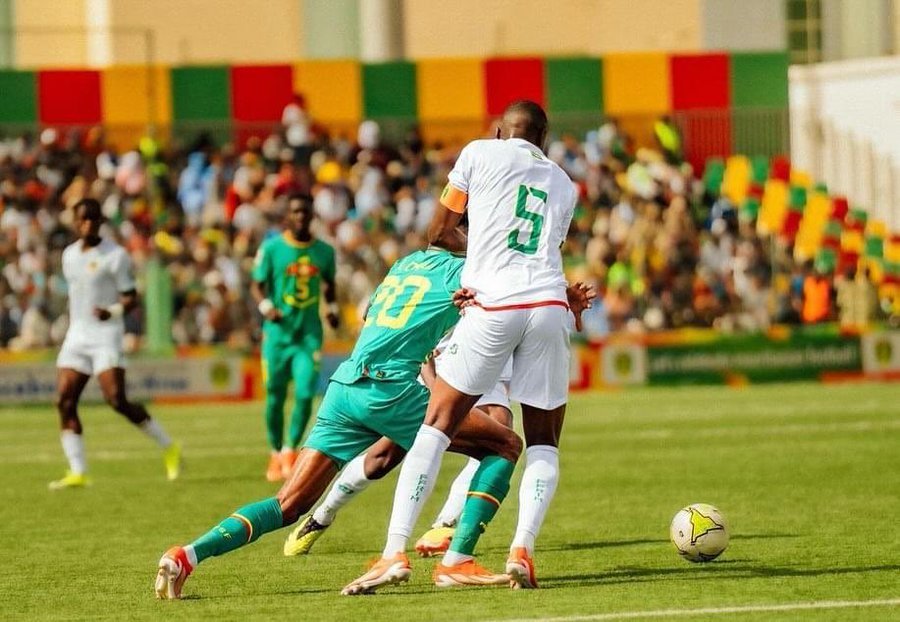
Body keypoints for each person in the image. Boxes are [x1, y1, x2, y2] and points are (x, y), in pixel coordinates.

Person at [155, 247, 588, 599]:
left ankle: (187, 555)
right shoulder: (471, 267)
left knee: (288, 503)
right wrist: (564, 294)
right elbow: (521, 292)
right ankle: (457, 559)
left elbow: (371, 316)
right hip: (392, 388)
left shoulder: (404, 263)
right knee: (506, 444)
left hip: (345, 384)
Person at [343, 100, 578, 593]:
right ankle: (522, 550)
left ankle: (394, 552)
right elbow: (542, 249)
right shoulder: (564, 181)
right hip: (549, 304)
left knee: (437, 425)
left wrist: (485, 253)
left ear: (499, 131)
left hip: (492, 305)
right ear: (544, 137)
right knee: (543, 441)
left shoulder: (477, 152)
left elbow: (437, 232)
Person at [281, 337, 514, 558]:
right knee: (384, 457)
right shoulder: (453, 295)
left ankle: (444, 526)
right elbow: (423, 330)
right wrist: (432, 382)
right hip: (444, 371)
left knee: (499, 437)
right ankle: (322, 516)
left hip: (491, 366)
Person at [50, 198, 181, 490]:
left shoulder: (115, 255)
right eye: (83, 220)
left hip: (106, 334)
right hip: (77, 335)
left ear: (101, 222)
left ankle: (168, 446)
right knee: (64, 400)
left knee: (116, 400)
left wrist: (113, 311)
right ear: (75, 222)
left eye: (94, 220)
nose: (88, 225)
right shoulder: (69, 255)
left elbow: (131, 296)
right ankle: (78, 471)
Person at [250, 194, 339, 481]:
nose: (300, 216)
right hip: (277, 335)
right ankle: (275, 453)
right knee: (274, 397)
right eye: (295, 212)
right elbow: (257, 284)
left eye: (305, 211)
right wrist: (266, 307)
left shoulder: (324, 251)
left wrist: (333, 309)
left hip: (308, 335)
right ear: (287, 217)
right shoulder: (273, 248)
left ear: (312, 215)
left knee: (303, 393)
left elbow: (329, 284)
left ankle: (290, 451)